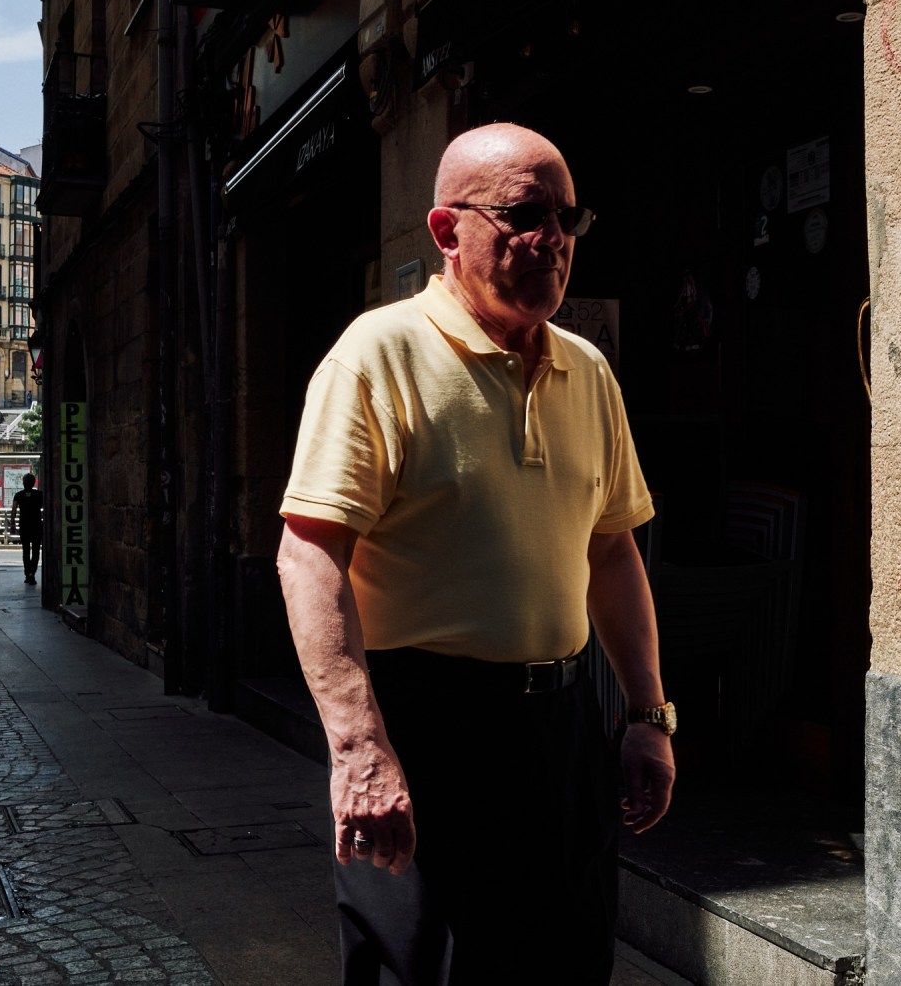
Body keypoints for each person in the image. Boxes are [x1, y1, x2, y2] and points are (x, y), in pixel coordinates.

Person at [277, 123, 675, 985]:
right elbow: (308, 557)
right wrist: (358, 747)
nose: (553, 238)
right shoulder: (377, 354)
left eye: (567, 218)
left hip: (563, 728)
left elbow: (612, 552)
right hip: (429, 728)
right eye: (524, 216)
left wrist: (648, 714)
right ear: (446, 231)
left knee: (567, 968)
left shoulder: (588, 371)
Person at [7, 473, 44, 585]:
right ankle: (32, 573)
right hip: (37, 525)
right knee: (36, 551)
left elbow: (14, 509)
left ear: (23, 483)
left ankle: (28, 574)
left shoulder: (18, 495)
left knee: (26, 550)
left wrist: (12, 523)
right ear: (33, 483)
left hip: (24, 525)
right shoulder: (40, 494)